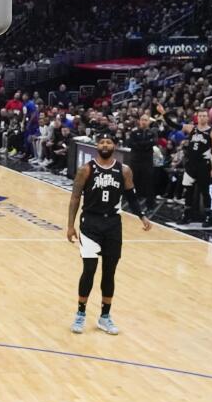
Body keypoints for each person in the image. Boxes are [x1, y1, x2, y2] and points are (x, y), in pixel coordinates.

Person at [66, 133, 151, 335]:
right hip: (90, 224)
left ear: (115, 146)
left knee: (109, 272)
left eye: (109, 142)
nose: (105, 145)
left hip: (113, 224)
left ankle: (105, 317)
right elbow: (75, 197)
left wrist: (142, 216)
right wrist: (70, 225)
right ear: (97, 145)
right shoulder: (86, 169)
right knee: (89, 270)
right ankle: (80, 314)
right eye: (102, 142)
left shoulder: (124, 170)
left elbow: (131, 196)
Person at [181, 109, 212, 224]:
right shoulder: (191, 128)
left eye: (204, 116)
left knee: (205, 191)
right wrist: (163, 113)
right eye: (200, 116)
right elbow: (174, 124)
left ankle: (207, 216)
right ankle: (186, 215)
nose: (202, 118)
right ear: (197, 117)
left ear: (208, 118)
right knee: (188, 191)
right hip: (190, 164)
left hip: (204, 165)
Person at [126, 113, 158, 212]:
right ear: (139, 121)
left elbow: (153, 142)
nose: (144, 122)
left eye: (146, 120)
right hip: (135, 161)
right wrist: (144, 145)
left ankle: (150, 205)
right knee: (133, 182)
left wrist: (140, 144)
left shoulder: (153, 133)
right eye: (142, 120)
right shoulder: (134, 132)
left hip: (147, 161)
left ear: (149, 121)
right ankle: (132, 203)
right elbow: (130, 143)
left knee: (149, 183)